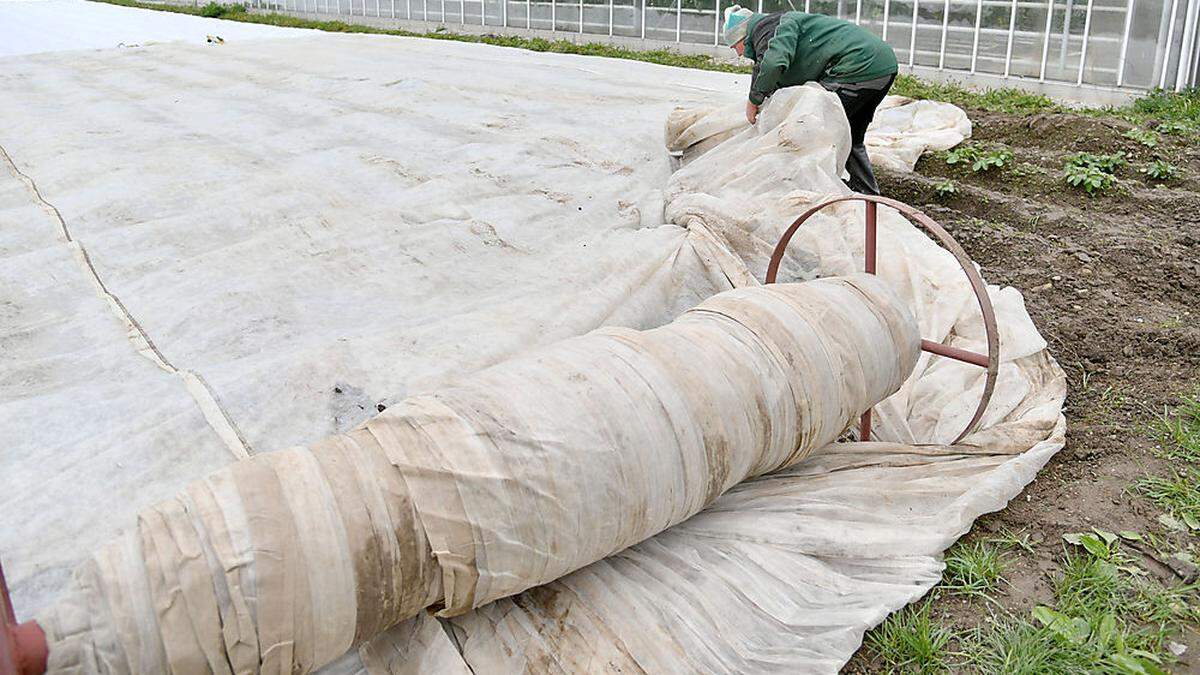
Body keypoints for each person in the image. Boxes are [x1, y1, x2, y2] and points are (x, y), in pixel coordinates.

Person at [723, 6, 898, 195]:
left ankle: (815, 190)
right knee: (851, 136)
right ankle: (867, 193)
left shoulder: (769, 27)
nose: (738, 53)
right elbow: (765, 66)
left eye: (734, 46)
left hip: (857, 67)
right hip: (882, 65)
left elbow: (773, 63)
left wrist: (753, 100)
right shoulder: (772, 30)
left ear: (742, 36)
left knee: (816, 128)